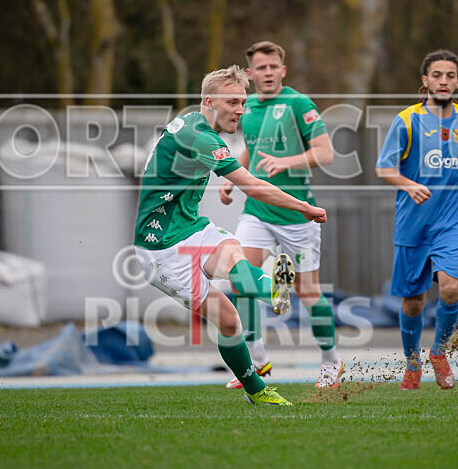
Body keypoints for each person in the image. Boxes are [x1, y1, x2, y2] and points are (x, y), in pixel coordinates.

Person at [134, 65, 326, 406]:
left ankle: (271, 289)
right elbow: (252, 186)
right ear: (210, 101)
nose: (241, 109)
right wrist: (304, 208)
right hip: (160, 249)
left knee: (233, 252)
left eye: (244, 101)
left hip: (191, 229)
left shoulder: (195, 124)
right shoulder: (200, 137)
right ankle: (257, 389)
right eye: (234, 102)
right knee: (229, 321)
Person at [218, 41, 341, 389]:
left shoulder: (298, 103)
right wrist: (231, 179)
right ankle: (257, 363)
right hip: (256, 211)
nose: (268, 73)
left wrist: (286, 162)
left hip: (297, 215)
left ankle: (332, 363)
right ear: (251, 73)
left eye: (273, 67)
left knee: (308, 293)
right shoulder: (248, 106)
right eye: (261, 67)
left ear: (282, 71)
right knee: (240, 280)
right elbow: (252, 150)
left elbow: (326, 153)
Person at [375, 49, 458, 390]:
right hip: (413, 223)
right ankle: (412, 362)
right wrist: (409, 184)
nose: (443, 81)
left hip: (453, 221)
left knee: (450, 287)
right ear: (425, 81)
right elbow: (384, 168)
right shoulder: (407, 120)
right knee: (413, 301)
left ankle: (439, 353)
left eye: (450, 76)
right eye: (437, 75)